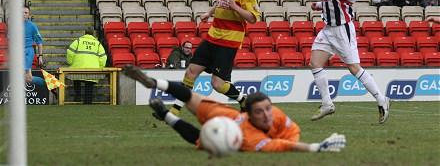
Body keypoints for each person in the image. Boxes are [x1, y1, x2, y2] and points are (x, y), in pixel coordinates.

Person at [122, 64, 346, 153]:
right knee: (200, 135)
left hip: (225, 115)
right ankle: (156, 90)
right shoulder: (251, 139)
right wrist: (316, 147)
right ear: (248, 114)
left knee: (191, 104)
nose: (267, 114)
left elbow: (290, 137)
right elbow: (283, 145)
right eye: (260, 112)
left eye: (268, 109)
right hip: (222, 119)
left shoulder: (276, 116)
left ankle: (160, 100)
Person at [310, 0, 390, 124]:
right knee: (314, 63)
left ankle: (381, 99)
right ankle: (327, 104)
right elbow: (332, 2)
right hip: (328, 28)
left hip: (342, 29)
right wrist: (319, 4)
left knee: (354, 69)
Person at [170, 0, 260, 116]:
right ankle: (174, 110)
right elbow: (219, 3)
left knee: (217, 85)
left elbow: (253, 19)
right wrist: (209, 13)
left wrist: (235, 7)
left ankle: (243, 101)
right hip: (212, 37)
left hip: (228, 43)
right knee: (191, 72)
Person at [67, 26, 107, 104]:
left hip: (77, 69)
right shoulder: (98, 44)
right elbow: (103, 58)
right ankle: (88, 102)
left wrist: (70, 62)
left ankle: (77, 100)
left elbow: (70, 52)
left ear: (85, 33)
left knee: (77, 83)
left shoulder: (78, 41)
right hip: (92, 70)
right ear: (93, 34)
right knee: (89, 87)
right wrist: (100, 68)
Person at [23, 5, 46, 87]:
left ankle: (47, 84)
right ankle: (48, 84)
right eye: (22, 12)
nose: (24, 14)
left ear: (29, 14)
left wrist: (40, 56)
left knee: (26, 77)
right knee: (28, 78)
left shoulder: (32, 26)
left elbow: (39, 42)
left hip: (27, 53)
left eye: (26, 13)